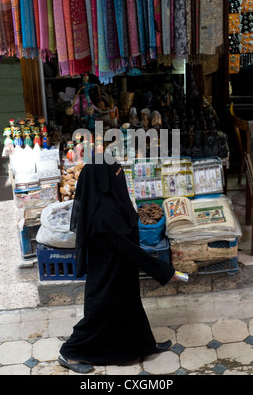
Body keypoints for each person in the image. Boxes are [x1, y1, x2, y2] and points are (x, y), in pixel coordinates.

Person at [58, 156, 179, 374]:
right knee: (99, 315)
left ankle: (144, 345)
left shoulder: (111, 203)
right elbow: (128, 248)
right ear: (103, 181)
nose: (120, 176)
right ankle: (70, 352)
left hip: (120, 269)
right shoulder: (104, 213)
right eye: (115, 174)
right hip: (107, 275)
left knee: (130, 308)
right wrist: (164, 271)